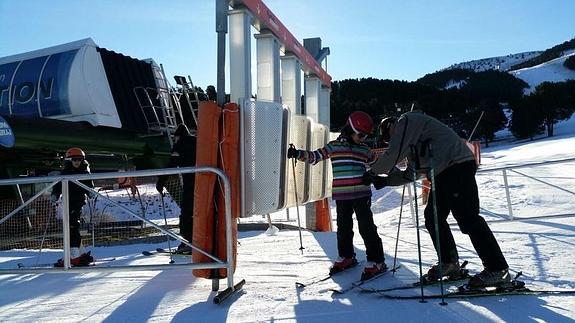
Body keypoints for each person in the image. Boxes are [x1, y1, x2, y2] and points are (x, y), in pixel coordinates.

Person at [369, 110, 510, 288]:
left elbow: (394, 153)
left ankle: (497, 269)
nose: (391, 142)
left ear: (390, 128)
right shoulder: (414, 141)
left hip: (456, 166)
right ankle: (449, 263)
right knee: (433, 217)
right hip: (442, 174)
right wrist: (386, 180)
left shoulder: (406, 121)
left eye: (390, 139)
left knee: (468, 218)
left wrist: (373, 171)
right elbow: (412, 173)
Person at [287, 111, 387, 280]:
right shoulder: (334, 146)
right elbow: (315, 157)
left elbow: (378, 166)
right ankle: (347, 257)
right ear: (350, 129)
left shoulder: (365, 149)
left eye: (366, 136)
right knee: (344, 228)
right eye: (360, 135)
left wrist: (376, 175)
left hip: (362, 195)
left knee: (367, 227)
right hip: (342, 196)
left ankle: (377, 260)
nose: (363, 139)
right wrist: (298, 154)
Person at [156, 124, 196, 254]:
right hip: (206, 182)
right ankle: (201, 240)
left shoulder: (179, 146)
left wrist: (161, 182)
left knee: (186, 214)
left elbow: (171, 166)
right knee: (199, 213)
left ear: (178, 137)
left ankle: (191, 242)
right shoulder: (198, 142)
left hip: (190, 183)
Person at [51, 147, 95, 267]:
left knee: (72, 226)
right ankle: (80, 253)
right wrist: (55, 194)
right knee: (70, 227)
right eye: (75, 159)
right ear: (69, 160)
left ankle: (74, 256)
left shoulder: (84, 172)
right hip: (67, 202)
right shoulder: (64, 172)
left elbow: (88, 184)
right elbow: (58, 185)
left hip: (78, 202)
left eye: (80, 160)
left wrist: (90, 192)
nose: (77, 162)